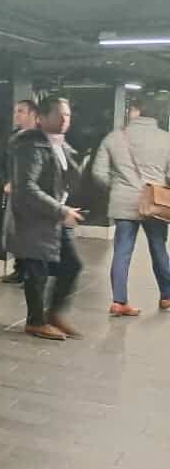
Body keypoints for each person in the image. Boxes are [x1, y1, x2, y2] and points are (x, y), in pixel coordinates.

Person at [7, 96, 84, 341]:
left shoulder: (61, 144)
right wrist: (61, 211)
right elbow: (27, 187)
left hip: (53, 218)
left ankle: (53, 314)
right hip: (34, 218)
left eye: (68, 115)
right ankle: (36, 321)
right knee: (36, 270)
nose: (64, 119)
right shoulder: (29, 145)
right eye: (59, 114)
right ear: (41, 118)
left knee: (71, 265)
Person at [92, 98, 170, 316]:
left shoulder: (114, 137)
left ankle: (119, 302)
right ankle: (167, 296)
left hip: (122, 201)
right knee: (159, 248)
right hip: (155, 202)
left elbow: (98, 172)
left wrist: (118, 187)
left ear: (137, 111)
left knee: (122, 251)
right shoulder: (167, 139)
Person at [0, 100, 39, 284]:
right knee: (14, 232)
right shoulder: (12, 137)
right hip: (16, 193)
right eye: (15, 111)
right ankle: (20, 270)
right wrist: (6, 181)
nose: (17, 115)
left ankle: (34, 274)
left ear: (32, 114)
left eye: (21, 111)